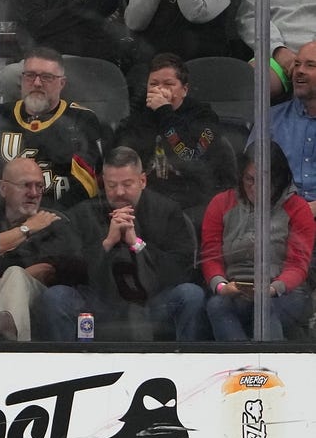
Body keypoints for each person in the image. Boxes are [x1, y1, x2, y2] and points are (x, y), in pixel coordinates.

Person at [38, 145, 206, 341]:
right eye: (111, 185)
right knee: (57, 297)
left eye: (127, 184)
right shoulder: (84, 213)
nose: (119, 192)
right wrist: (107, 243)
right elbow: (65, 271)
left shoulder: (167, 211)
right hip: (99, 303)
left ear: (142, 180)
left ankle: (185, 367)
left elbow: (179, 270)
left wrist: (136, 243)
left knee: (191, 294)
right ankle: (66, 368)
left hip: (152, 303)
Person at [0, 156, 84, 341]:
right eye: (26, 185)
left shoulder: (53, 220)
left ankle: (12, 346)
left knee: (15, 275)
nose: (34, 193)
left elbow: (45, 271)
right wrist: (27, 229)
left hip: (32, 295)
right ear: (3, 188)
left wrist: (6, 272)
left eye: (39, 186)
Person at [0, 47, 105, 212]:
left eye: (47, 77)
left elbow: (87, 184)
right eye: (30, 76)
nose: (37, 83)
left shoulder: (82, 120)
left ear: (62, 83)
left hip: (63, 223)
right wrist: (3, 217)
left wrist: (47, 218)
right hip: (3, 222)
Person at [201, 143, 315, 341]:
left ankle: (271, 368)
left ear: (277, 179)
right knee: (217, 305)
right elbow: (211, 255)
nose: (255, 188)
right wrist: (221, 286)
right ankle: (240, 367)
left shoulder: (297, 208)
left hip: (284, 291)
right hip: (235, 288)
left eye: (263, 180)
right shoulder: (221, 203)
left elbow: (298, 264)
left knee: (264, 308)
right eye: (249, 180)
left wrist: (273, 288)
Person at [113, 53, 235, 226]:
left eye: (169, 84)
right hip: (147, 196)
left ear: (184, 89)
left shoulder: (204, 117)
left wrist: (165, 112)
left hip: (190, 195)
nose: (160, 90)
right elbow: (122, 154)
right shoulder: (140, 115)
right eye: (153, 84)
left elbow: (187, 157)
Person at [265, 40, 316, 206]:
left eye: (310, 65)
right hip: (279, 218)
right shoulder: (270, 119)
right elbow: (250, 178)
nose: (299, 71)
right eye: (297, 64)